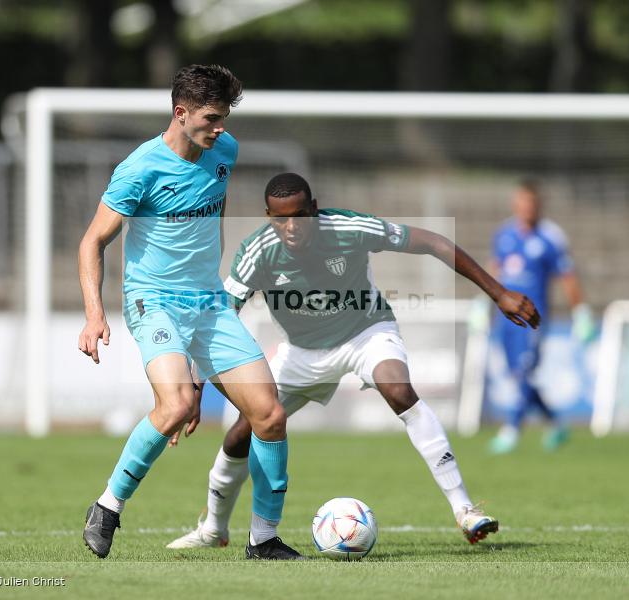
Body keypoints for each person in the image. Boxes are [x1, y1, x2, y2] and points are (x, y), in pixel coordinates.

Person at [166, 172, 540, 550]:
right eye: (281, 219)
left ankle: (465, 510)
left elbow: (433, 242)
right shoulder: (257, 252)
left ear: (314, 208)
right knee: (244, 431)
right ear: (268, 216)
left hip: (366, 333)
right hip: (301, 353)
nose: (292, 226)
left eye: (300, 215)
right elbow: (218, 319)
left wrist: (499, 292)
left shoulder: (348, 227)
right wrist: (193, 388)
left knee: (399, 390)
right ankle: (214, 529)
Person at [77, 65, 302, 561]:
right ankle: (107, 506)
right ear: (180, 114)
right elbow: (92, 241)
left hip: (208, 303)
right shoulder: (140, 169)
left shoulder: (224, 150)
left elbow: (212, 214)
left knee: (269, 415)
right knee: (175, 404)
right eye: (211, 118)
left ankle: (263, 540)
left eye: (224, 118)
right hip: (152, 300)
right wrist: (95, 316)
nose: (220, 128)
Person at [487, 179, 592, 454]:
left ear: (538, 205)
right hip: (505, 319)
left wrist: (580, 311)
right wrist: (480, 303)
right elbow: (494, 270)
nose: (526, 208)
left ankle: (511, 430)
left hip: (532, 319)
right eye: (521, 202)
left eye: (530, 203)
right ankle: (556, 423)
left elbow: (567, 277)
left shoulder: (550, 237)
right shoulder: (504, 234)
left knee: (524, 372)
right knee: (517, 375)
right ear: (515, 204)